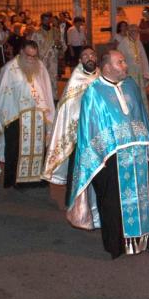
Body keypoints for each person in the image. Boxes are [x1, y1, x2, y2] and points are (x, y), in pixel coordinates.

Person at [68, 50, 149, 258]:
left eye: (124, 61)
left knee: (144, 196)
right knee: (113, 202)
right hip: (111, 157)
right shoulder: (93, 92)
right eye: (120, 62)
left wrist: (146, 145)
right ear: (107, 67)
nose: (125, 65)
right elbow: (89, 128)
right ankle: (117, 245)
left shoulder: (131, 86)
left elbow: (141, 117)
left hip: (138, 152)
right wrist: (102, 155)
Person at [42, 46, 100, 229]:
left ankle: (98, 205)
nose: (89, 58)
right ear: (80, 61)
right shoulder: (76, 78)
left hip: (99, 133)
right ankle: (74, 203)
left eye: (92, 55)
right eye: (85, 56)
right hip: (79, 134)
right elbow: (68, 108)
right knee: (77, 169)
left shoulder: (101, 76)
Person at [0, 41, 55, 188]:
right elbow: (3, 95)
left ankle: (37, 179)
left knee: (39, 149)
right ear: (21, 52)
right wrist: (6, 116)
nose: (31, 59)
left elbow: (46, 91)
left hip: (37, 117)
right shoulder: (9, 69)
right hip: (16, 118)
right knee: (15, 149)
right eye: (28, 55)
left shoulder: (40, 66)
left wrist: (48, 112)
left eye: (34, 56)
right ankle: (16, 181)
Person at [31, 12, 63, 97]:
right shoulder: (37, 33)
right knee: (42, 78)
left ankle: (53, 97)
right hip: (41, 59)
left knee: (53, 78)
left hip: (53, 60)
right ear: (41, 20)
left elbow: (60, 45)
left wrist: (59, 46)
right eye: (45, 19)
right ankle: (43, 97)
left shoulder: (55, 31)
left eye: (49, 19)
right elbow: (33, 47)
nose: (47, 21)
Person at [116, 24, 149, 91]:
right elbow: (119, 58)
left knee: (140, 91)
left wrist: (146, 73)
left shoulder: (139, 42)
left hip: (139, 72)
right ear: (129, 32)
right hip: (129, 72)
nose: (135, 33)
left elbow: (144, 58)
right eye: (133, 31)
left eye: (137, 31)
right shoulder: (124, 43)